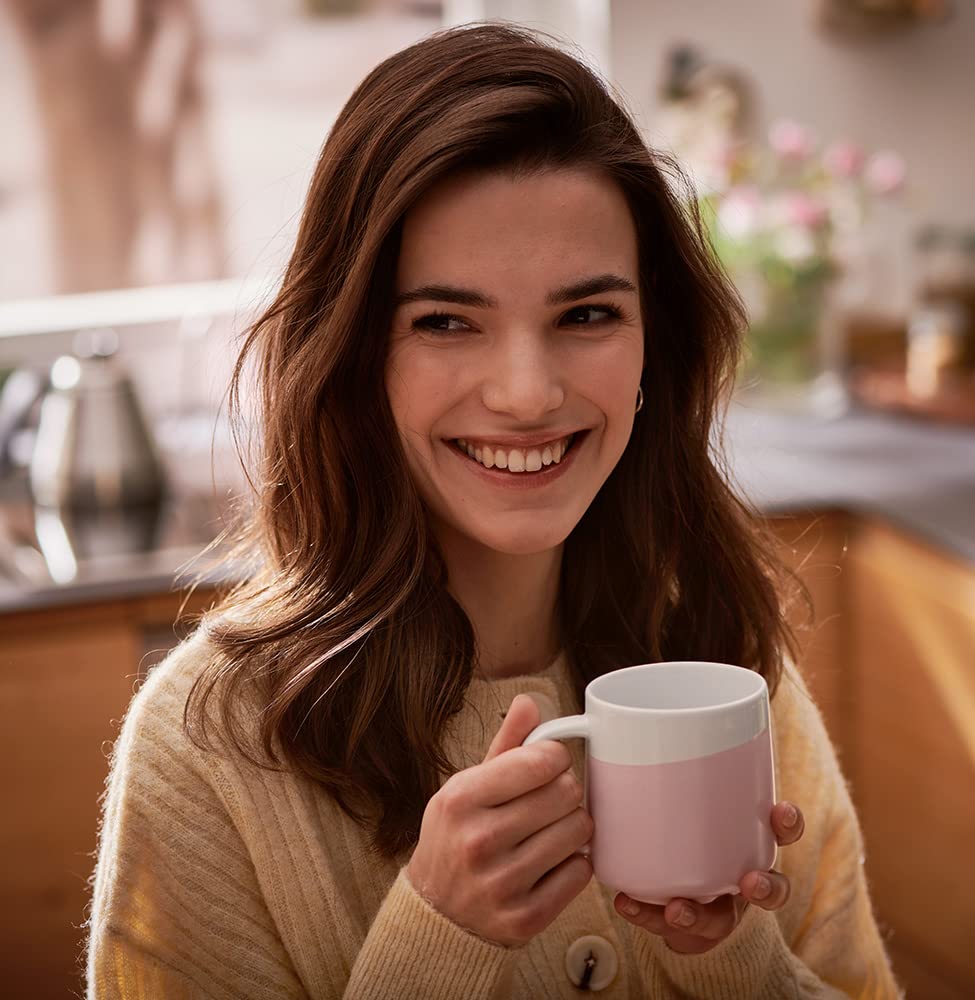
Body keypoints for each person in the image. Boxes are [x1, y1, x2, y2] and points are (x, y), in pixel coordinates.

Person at [84, 22, 901, 999]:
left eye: (587, 314)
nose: (526, 394)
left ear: (655, 345)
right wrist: (437, 941)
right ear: (355, 357)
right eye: (445, 321)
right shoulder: (204, 751)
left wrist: (736, 962)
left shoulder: (720, 669)